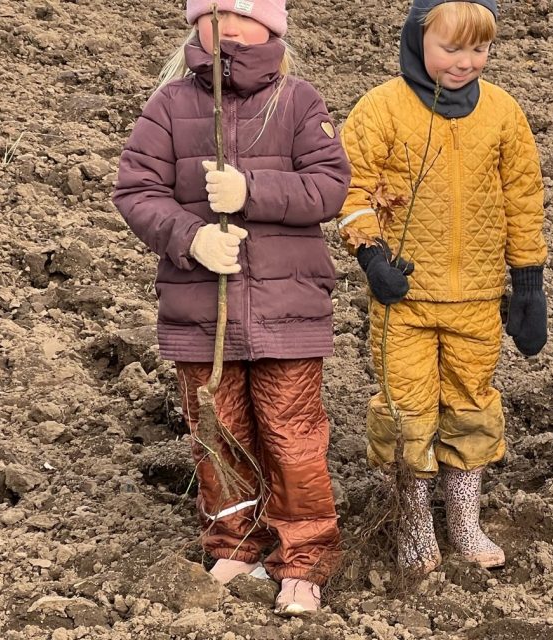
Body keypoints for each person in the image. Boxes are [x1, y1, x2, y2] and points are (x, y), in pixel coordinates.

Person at [113, 0, 349, 615]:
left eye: (243, 14)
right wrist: (191, 237)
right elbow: (136, 189)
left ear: (272, 27)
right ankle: (236, 542)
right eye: (214, 14)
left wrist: (252, 191)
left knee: (292, 435)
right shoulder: (169, 104)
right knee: (217, 431)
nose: (228, 29)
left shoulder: (298, 101)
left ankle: (304, 556)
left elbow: (329, 186)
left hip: (286, 311)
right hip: (201, 315)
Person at [336, 0, 547, 574]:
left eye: (478, 49)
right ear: (417, 38)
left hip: (478, 299)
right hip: (404, 300)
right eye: (451, 48)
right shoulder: (381, 109)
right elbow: (351, 191)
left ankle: (465, 519)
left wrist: (528, 283)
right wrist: (373, 257)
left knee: (471, 405)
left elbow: (523, 200)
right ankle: (413, 521)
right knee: (406, 409)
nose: (466, 62)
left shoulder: (503, 113)